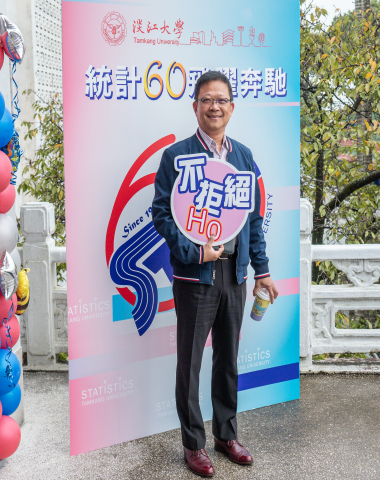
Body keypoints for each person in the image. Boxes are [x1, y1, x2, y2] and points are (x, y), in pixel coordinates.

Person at [152, 70, 278, 477]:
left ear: (232, 107)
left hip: (235, 276)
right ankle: (193, 444)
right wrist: (196, 252)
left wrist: (262, 271)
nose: (214, 107)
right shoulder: (177, 157)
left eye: (221, 100)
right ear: (195, 107)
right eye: (206, 100)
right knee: (189, 363)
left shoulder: (243, 157)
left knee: (228, 360)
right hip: (195, 277)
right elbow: (161, 215)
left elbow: (253, 219)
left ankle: (226, 435)